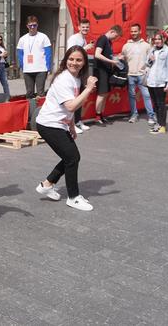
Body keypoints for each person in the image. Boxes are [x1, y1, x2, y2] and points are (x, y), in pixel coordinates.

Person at [35, 45, 98, 211]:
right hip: (49, 124)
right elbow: (70, 106)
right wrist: (90, 89)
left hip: (58, 123)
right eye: (71, 59)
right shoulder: (64, 79)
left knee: (70, 157)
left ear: (84, 63)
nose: (74, 63)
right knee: (72, 157)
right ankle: (73, 197)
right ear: (65, 60)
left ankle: (47, 184)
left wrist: (70, 125)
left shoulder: (75, 79)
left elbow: (67, 107)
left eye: (78, 60)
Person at [121, 23, 156, 125]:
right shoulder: (126, 46)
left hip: (142, 75)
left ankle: (151, 116)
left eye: (135, 31)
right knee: (132, 96)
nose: (133, 33)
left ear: (140, 31)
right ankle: (134, 115)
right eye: (132, 31)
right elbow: (123, 58)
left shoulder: (146, 45)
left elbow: (151, 60)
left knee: (147, 96)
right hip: (130, 74)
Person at [66, 18, 95, 133]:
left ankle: (78, 121)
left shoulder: (83, 39)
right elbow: (70, 53)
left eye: (87, 27)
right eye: (83, 27)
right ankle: (71, 124)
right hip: (73, 72)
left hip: (82, 71)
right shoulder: (74, 38)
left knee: (81, 96)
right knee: (74, 97)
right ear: (79, 27)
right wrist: (85, 49)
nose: (85, 29)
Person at [145, 32, 168, 134]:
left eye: (159, 39)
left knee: (161, 104)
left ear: (164, 40)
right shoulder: (152, 50)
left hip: (161, 82)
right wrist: (150, 60)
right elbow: (147, 64)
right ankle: (158, 123)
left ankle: (163, 126)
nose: (157, 41)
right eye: (155, 39)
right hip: (151, 81)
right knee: (155, 104)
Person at [93, 25, 123, 125]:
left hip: (107, 70)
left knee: (105, 94)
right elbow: (97, 54)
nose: (115, 39)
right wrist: (111, 61)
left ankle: (101, 114)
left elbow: (107, 55)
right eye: (115, 37)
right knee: (101, 93)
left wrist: (116, 58)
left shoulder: (109, 42)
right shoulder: (103, 39)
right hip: (101, 71)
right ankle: (97, 116)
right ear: (112, 31)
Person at [17, 15, 51, 98]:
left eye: (34, 25)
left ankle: (41, 110)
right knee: (29, 93)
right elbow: (20, 54)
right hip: (27, 70)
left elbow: (48, 53)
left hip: (41, 69)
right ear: (27, 26)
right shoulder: (22, 39)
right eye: (30, 25)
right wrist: (22, 66)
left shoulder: (44, 37)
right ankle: (30, 110)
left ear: (37, 25)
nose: (32, 27)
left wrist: (49, 67)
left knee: (40, 93)